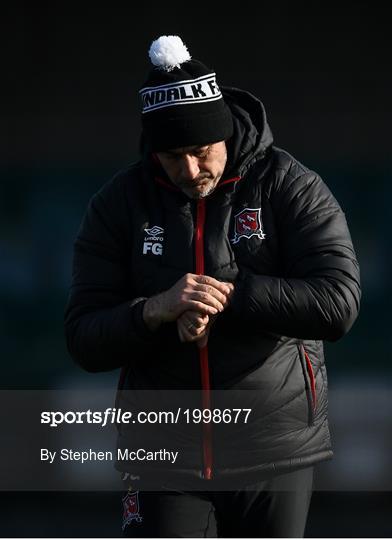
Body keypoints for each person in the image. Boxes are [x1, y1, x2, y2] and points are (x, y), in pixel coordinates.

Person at [64, 35, 361, 537]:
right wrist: (154, 311)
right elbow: (83, 337)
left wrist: (228, 294)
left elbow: (339, 302)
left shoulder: (291, 185)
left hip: (274, 449)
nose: (190, 170)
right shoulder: (117, 204)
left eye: (201, 152)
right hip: (161, 454)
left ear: (223, 131)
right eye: (172, 156)